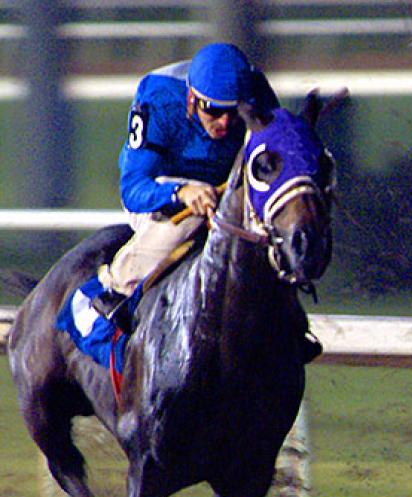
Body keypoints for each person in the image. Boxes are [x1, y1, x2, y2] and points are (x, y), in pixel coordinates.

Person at [94, 43, 279, 332]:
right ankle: (116, 291)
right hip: (163, 192)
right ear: (192, 98)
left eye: (235, 113)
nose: (225, 123)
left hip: (229, 191)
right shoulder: (158, 98)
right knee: (189, 218)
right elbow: (133, 189)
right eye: (214, 110)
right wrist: (181, 192)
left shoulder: (258, 92)